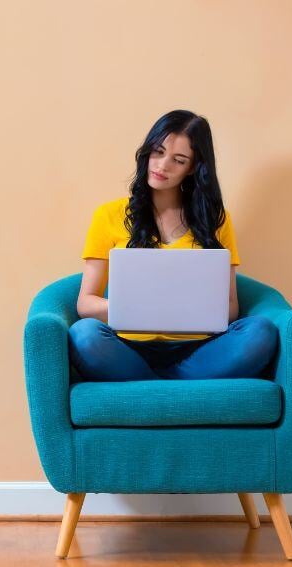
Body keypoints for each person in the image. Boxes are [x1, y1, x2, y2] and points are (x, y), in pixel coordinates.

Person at [68, 110, 279, 381]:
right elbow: (86, 303)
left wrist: (183, 309)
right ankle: (171, 384)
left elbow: (230, 307)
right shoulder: (108, 215)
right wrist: (138, 307)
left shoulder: (216, 220)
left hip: (199, 350)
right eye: (158, 152)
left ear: (192, 168)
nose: (162, 165)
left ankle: (150, 385)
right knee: (83, 335)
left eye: (178, 160)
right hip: (127, 349)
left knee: (260, 332)